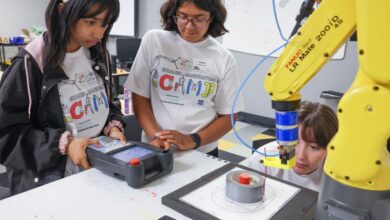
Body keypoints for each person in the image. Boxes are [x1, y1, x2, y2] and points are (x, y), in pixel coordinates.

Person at [0, 0, 126, 196]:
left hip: (96, 175)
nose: (99, 33)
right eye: (90, 22)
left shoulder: (98, 53)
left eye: (105, 23)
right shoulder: (31, 62)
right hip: (50, 185)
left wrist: (113, 126)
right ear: (63, 9)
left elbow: (105, 104)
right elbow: (6, 136)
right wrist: (66, 144)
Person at [124, 0, 244, 156]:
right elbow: (140, 96)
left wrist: (193, 140)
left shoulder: (223, 57)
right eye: (183, 17)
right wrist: (156, 135)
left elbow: (229, 116)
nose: (189, 26)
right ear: (174, 14)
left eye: (199, 19)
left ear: (212, 17)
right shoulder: (154, 40)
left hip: (202, 150)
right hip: (155, 146)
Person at [246, 101, 338, 191]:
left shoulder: (339, 173)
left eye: (314, 147)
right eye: (293, 143)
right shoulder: (261, 160)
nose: (301, 156)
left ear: (330, 148)